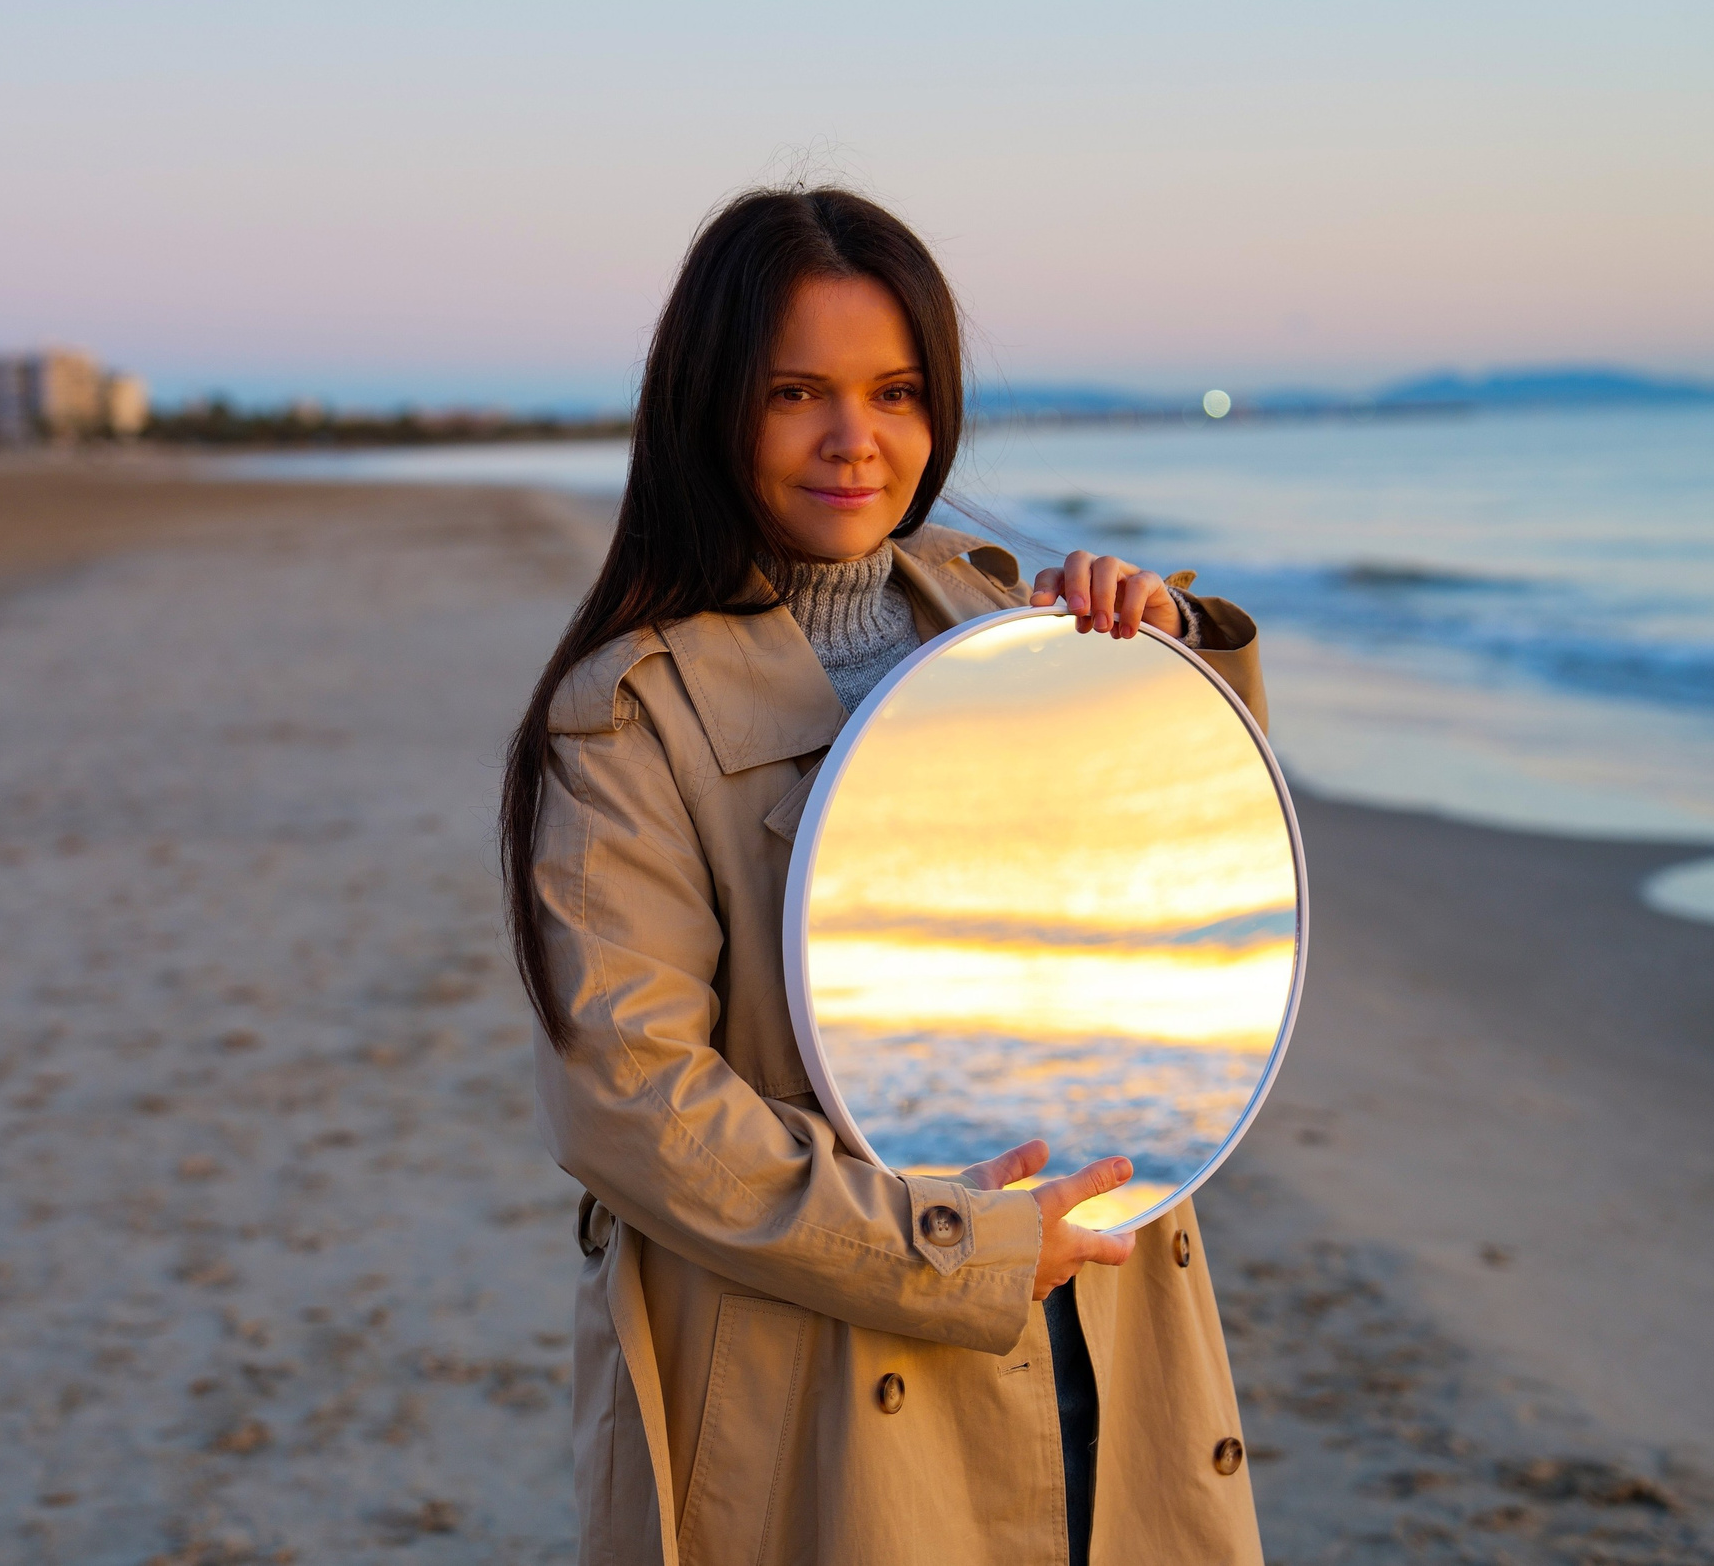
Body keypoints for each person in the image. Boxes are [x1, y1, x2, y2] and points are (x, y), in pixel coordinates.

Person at [499, 188, 1270, 1564]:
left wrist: (1164, 665)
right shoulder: (630, 714)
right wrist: (955, 1250)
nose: (857, 440)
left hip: (1098, 1327)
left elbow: (1174, 900)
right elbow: (632, 1103)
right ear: (708, 405)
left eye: (896, 392)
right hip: (835, 1383)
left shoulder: (1007, 628)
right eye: (798, 391)